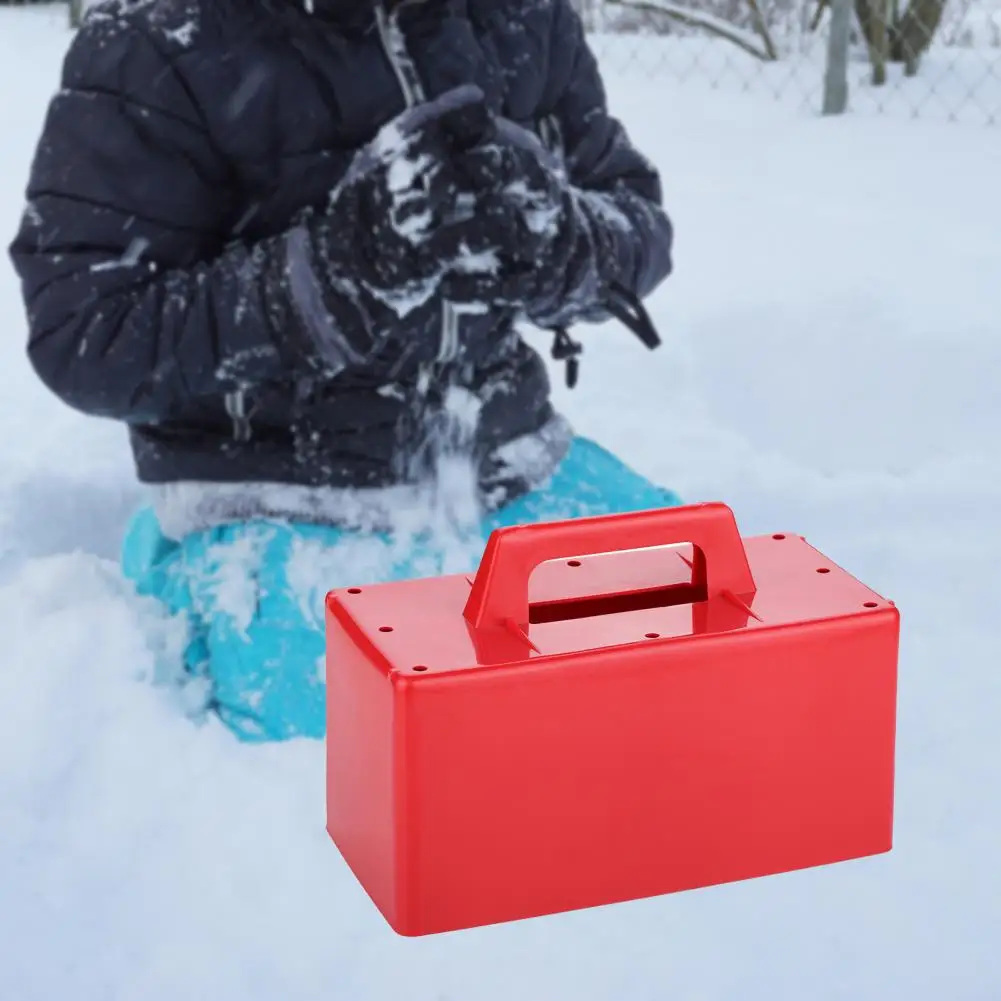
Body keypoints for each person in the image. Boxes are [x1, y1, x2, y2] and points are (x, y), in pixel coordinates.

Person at [9, 0, 678, 741]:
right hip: (271, 503)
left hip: (513, 461)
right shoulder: (157, 44)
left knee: (676, 667)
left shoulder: (519, 17)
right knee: (373, 759)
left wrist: (558, 241)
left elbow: (632, 216)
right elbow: (88, 330)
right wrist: (328, 277)